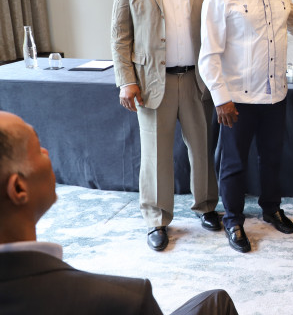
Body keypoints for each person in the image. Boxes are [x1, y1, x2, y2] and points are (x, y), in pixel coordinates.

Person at [0, 111, 239, 315]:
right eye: (37, 148)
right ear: (19, 188)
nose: (46, 152)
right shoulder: (127, 301)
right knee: (218, 302)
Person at [111, 0, 220, 252]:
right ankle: (157, 219)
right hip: (151, 81)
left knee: (202, 148)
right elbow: (120, 33)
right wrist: (126, 80)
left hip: (198, 79)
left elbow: (219, 25)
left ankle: (206, 207)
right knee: (155, 155)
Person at [199, 0, 293, 253]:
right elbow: (209, 53)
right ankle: (233, 220)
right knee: (233, 164)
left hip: (275, 94)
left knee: (272, 159)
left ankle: (271, 208)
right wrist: (221, 98)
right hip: (236, 100)